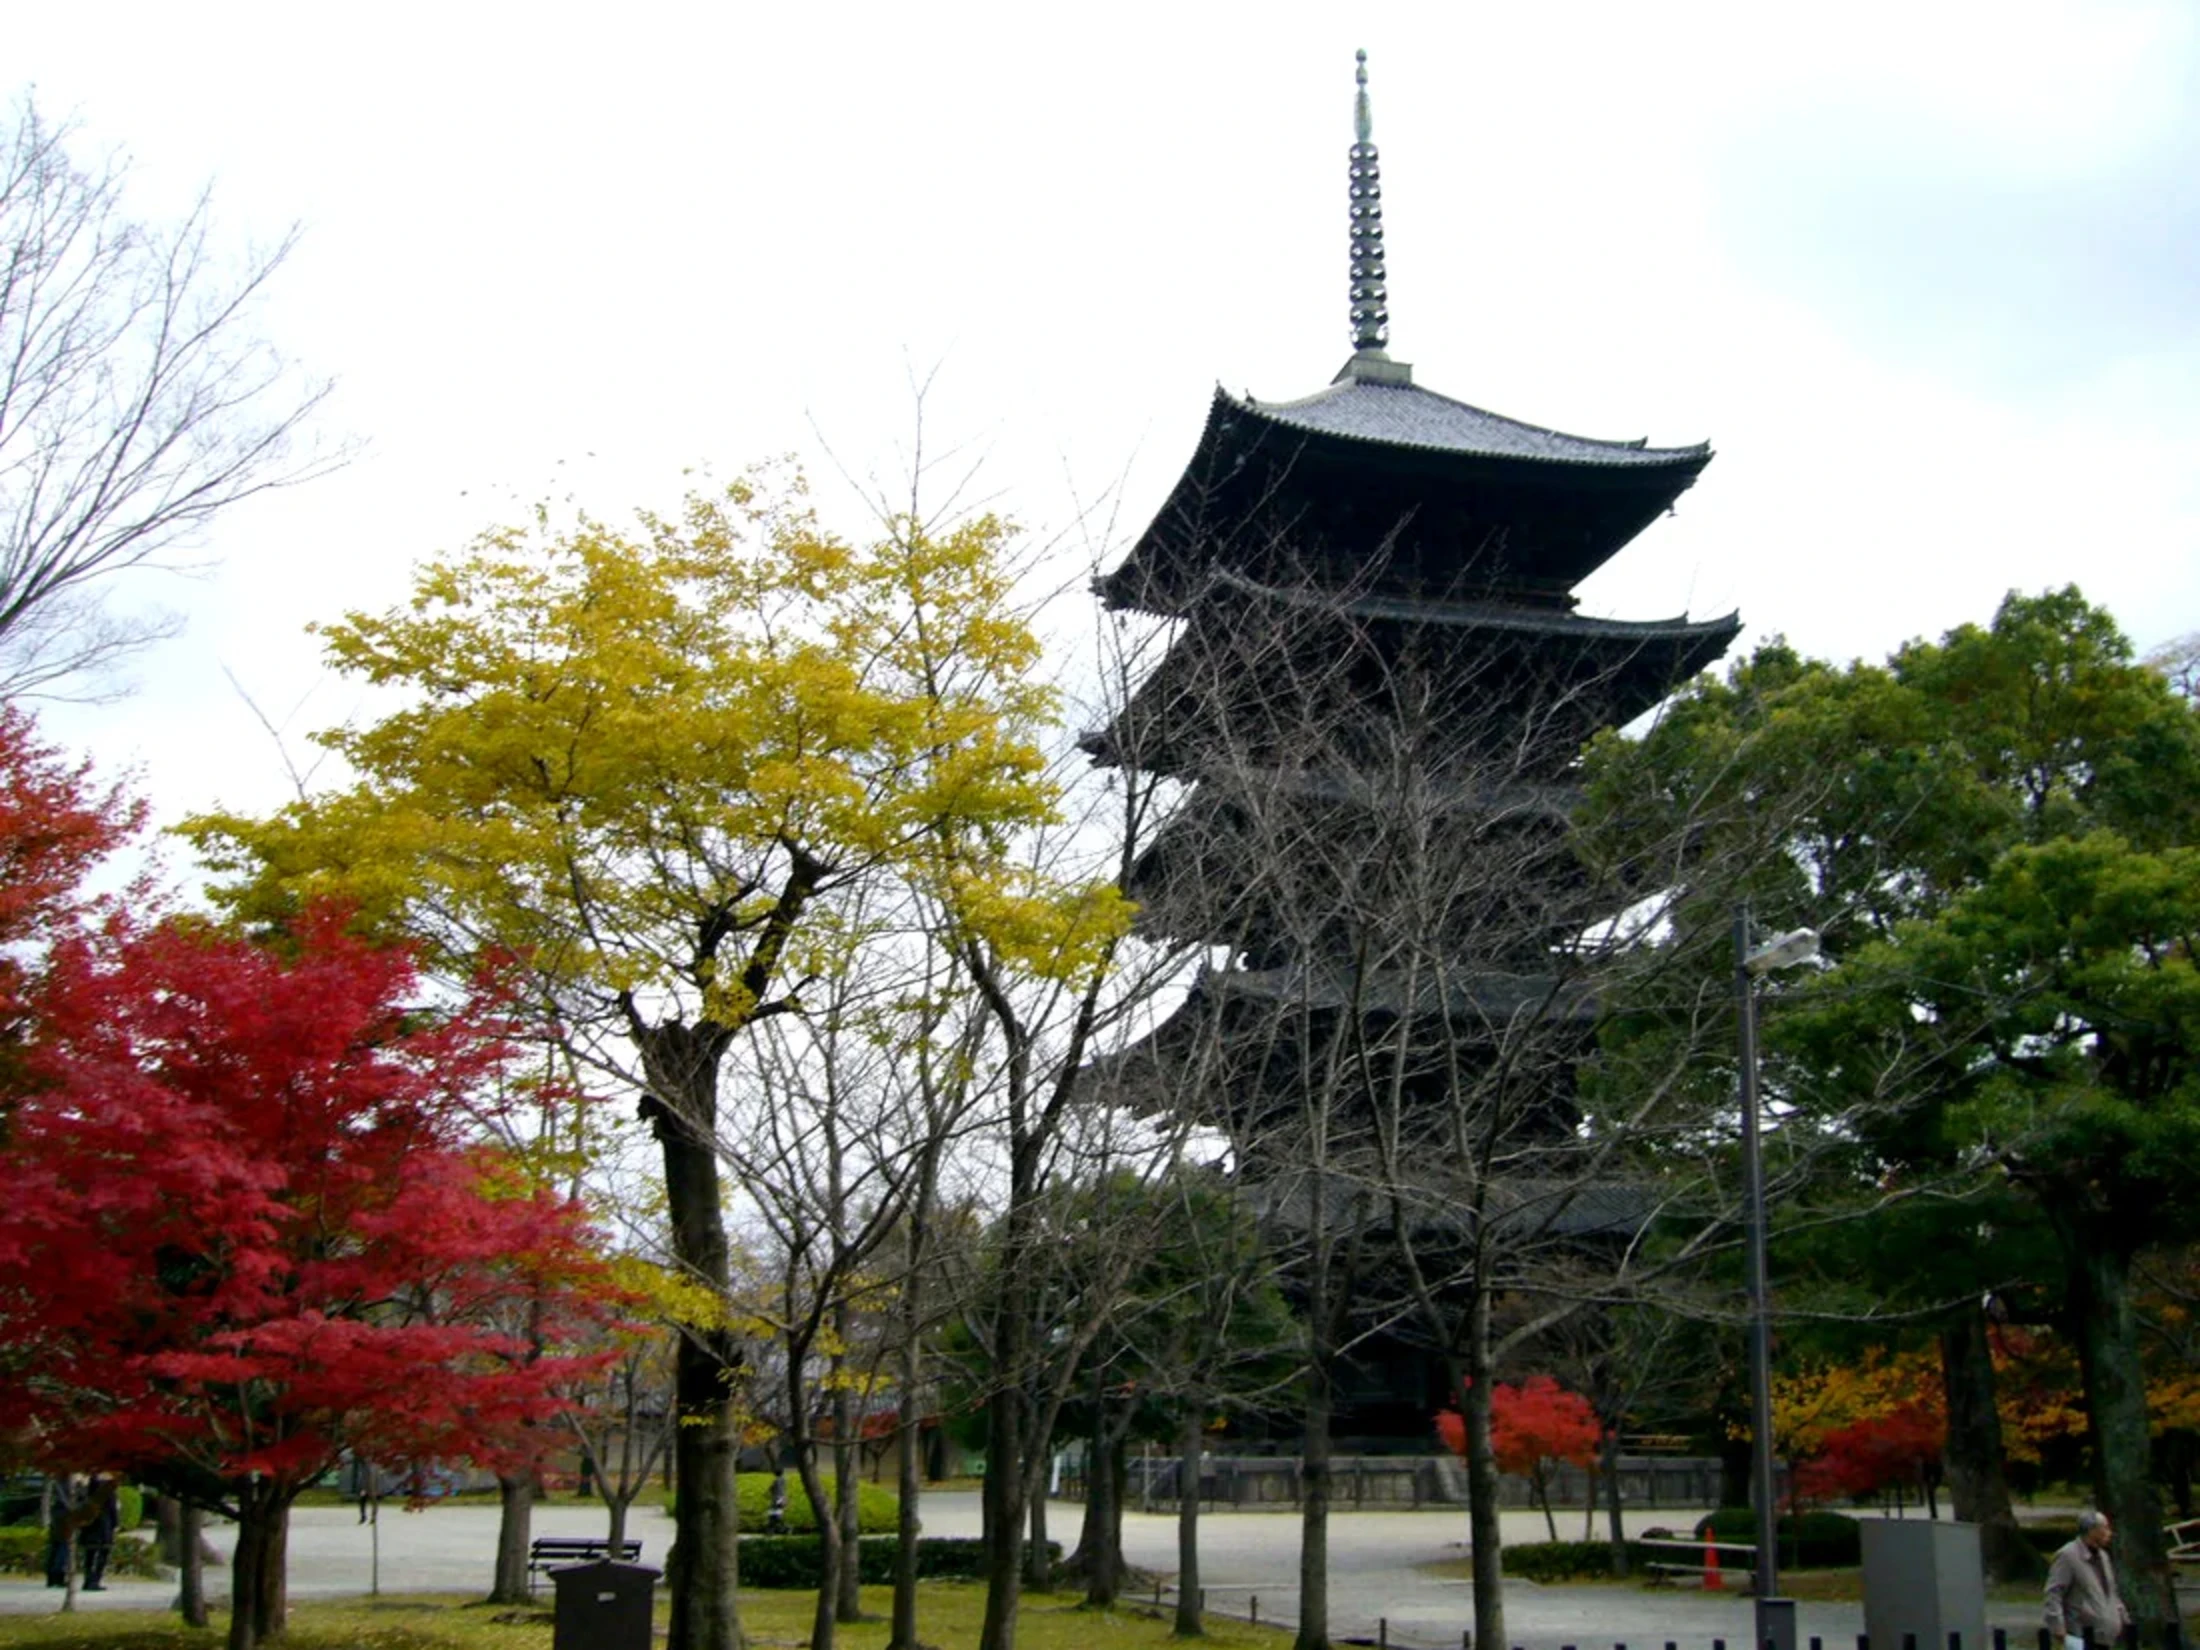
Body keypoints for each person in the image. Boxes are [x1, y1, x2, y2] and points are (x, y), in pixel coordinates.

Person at [2045, 1509, 2132, 1650]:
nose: (2109, 1532)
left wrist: (2123, 1617)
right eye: (2105, 1527)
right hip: (2081, 1635)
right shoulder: (2068, 1555)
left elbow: (2111, 1591)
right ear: (2092, 1530)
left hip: (2105, 1636)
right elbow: (2054, 1592)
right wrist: (2057, 1626)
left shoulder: (2103, 1557)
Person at [78, 1476, 119, 1591]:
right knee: (102, 1554)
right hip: (103, 1527)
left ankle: (88, 1579)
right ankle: (95, 1580)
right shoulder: (108, 1492)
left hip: (89, 1526)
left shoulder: (87, 1492)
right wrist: (115, 1524)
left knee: (89, 1555)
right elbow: (113, 1510)